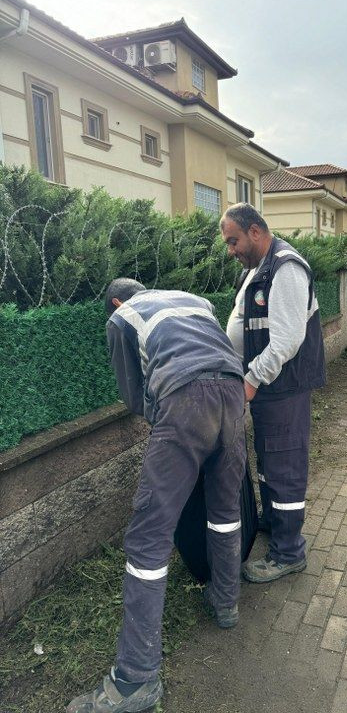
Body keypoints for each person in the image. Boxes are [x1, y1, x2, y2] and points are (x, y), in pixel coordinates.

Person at [67, 279, 246, 713]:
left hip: (185, 401)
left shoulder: (122, 317)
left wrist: (168, 427)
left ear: (114, 301)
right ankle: (225, 601)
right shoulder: (194, 300)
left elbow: (133, 393)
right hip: (234, 392)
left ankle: (136, 679)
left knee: (147, 538)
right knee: (224, 510)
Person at [221, 203, 326, 584]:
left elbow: (286, 340)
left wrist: (251, 379)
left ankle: (288, 552)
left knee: (284, 465)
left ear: (255, 232)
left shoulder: (286, 268)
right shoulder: (257, 270)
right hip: (268, 388)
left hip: (282, 388)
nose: (230, 250)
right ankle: (275, 520)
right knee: (268, 460)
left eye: (233, 241)